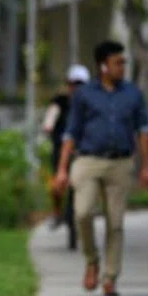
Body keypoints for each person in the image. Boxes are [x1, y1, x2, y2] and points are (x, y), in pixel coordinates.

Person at [54, 41, 148, 296]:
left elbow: (143, 131)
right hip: (88, 160)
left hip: (120, 162)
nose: (122, 67)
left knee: (116, 222)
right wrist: (62, 169)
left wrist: (146, 167)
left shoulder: (133, 94)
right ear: (103, 66)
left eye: (124, 62)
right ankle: (91, 260)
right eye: (117, 62)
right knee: (83, 213)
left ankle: (110, 277)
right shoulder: (85, 95)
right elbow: (70, 132)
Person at [42, 64, 91, 233]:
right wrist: (48, 125)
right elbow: (50, 118)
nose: (77, 88)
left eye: (81, 84)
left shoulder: (90, 104)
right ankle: (57, 211)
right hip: (60, 149)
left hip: (83, 151)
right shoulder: (60, 102)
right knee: (56, 184)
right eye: (74, 84)